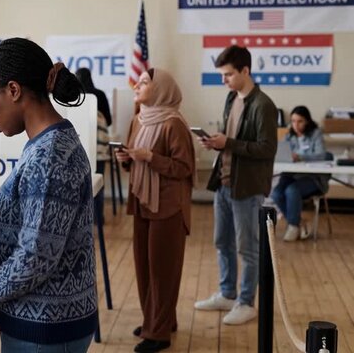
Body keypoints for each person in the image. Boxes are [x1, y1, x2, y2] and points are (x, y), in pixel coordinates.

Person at [0, 38, 97, 353]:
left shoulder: (49, 159)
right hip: (49, 324)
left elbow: (35, 259)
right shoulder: (52, 142)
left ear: (14, 91)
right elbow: (40, 239)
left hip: (44, 330)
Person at [194, 45, 278, 325]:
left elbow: (267, 149)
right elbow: (232, 140)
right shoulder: (232, 98)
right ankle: (227, 293)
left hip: (247, 188)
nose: (224, 80)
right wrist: (216, 142)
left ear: (245, 70)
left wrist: (227, 143)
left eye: (228, 74)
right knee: (222, 242)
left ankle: (246, 302)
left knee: (248, 248)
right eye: (222, 75)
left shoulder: (264, 105)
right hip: (225, 183)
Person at [115, 68, 195, 353]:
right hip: (142, 201)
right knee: (144, 266)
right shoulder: (138, 120)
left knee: (163, 269)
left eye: (145, 82)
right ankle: (159, 320)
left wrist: (151, 157)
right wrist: (126, 159)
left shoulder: (174, 124)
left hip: (168, 205)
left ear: (162, 89)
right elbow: (135, 161)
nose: (137, 85)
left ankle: (157, 333)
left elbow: (184, 168)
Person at [271, 105, 328, 241]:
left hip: (312, 178)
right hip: (291, 175)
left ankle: (293, 227)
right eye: (293, 121)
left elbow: (321, 155)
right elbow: (281, 152)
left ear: (307, 121)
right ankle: (298, 222)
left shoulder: (316, 133)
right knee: (276, 194)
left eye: (300, 121)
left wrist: (300, 157)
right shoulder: (289, 135)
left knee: (291, 190)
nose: (296, 125)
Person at [75, 67, 111, 224]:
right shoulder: (100, 95)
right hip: (99, 147)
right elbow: (108, 120)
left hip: (79, 147)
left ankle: (82, 221)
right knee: (98, 182)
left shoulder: (74, 96)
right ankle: (98, 218)